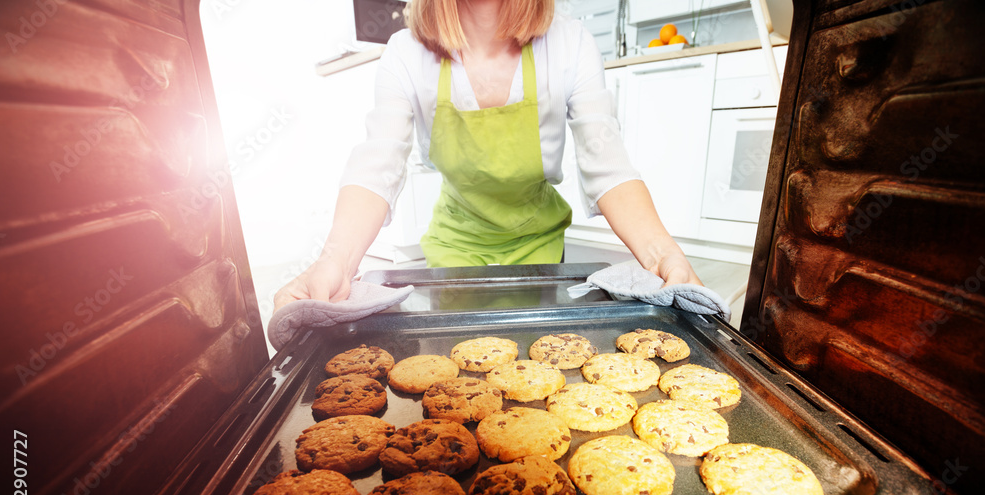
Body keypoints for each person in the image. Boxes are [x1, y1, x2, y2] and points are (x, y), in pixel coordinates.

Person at [274, 0, 702, 311]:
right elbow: (376, 165)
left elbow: (608, 164)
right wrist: (334, 262)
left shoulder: (570, 44)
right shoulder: (406, 54)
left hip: (539, 250)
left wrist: (664, 256)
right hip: (454, 249)